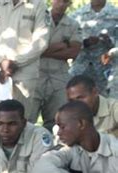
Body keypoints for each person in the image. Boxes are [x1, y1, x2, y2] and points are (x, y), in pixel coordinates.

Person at [0, 0, 50, 134]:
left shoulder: (39, 6)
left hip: (25, 73)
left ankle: (20, 155)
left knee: (22, 122)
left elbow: (41, 41)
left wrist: (15, 62)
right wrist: (1, 61)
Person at [32, 0, 81, 132]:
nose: (62, 4)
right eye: (59, 0)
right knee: (27, 119)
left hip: (59, 77)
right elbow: (28, 48)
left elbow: (74, 52)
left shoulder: (73, 24)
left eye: (66, 2)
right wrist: (62, 45)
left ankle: (54, 151)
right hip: (35, 75)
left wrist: (41, 50)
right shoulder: (37, 18)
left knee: (57, 122)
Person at [69, 0, 118, 95]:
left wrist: (109, 40)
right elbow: (68, 40)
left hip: (106, 70)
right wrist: (85, 43)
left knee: (105, 103)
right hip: (81, 68)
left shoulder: (115, 14)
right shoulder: (77, 15)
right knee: (78, 101)